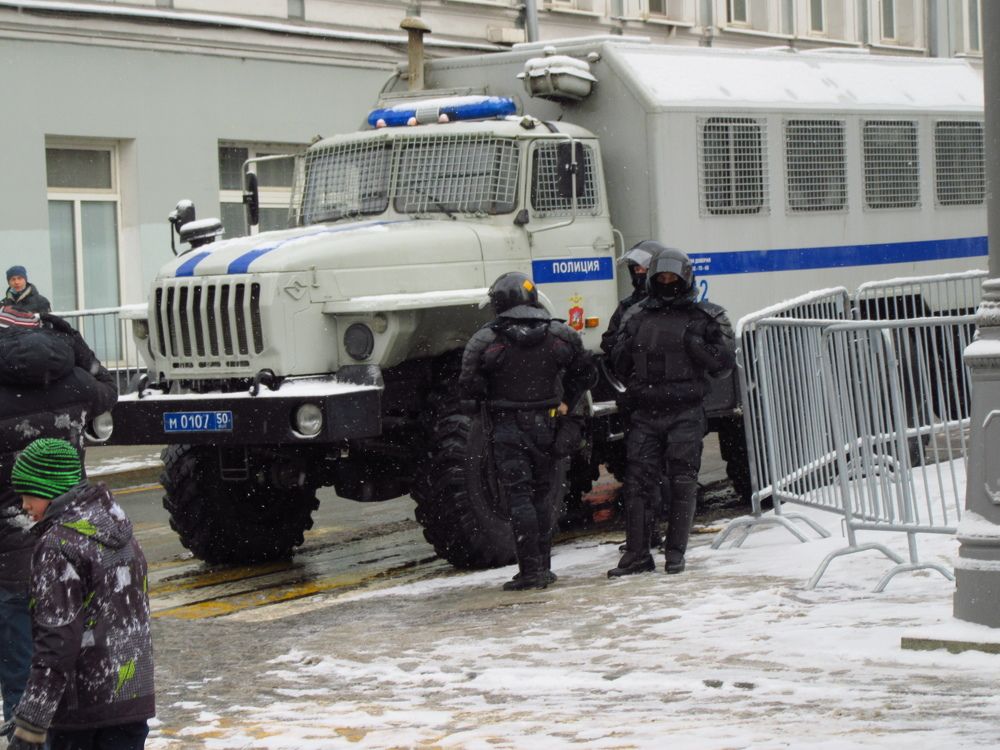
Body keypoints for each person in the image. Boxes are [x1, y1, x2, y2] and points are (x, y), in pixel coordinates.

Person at [0, 308, 118, 732]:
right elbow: (109, 388)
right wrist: (74, 341)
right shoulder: (75, 381)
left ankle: (25, 726)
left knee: (19, 657)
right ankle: (61, 723)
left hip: (8, 546)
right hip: (68, 539)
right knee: (63, 643)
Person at [7, 438, 154, 750]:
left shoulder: (58, 545)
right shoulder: (116, 526)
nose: (24, 506)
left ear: (50, 488)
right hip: (129, 701)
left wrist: (32, 723)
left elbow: (56, 642)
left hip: (80, 711)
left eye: (27, 494)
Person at [460, 272, 596, 590]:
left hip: (507, 427)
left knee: (519, 498)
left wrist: (490, 401)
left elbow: (469, 387)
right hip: (547, 424)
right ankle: (543, 568)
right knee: (542, 496)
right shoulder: (560, 334)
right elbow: (586, 373)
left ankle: (531, 571)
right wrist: (564, 404)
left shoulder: (485, 339)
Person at [608, 247, 734, 577]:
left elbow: (723, 365)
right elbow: (617, 363)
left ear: (684, 279)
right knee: (637, 485)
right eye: (660, 277)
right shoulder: (635, 316)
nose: (666, 283)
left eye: (671, 278)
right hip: (646, 411)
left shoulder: (705, 316)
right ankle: (637, 554)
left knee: (682, 482)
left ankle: (675, 553)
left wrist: (696, 345)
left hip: (685, 410)